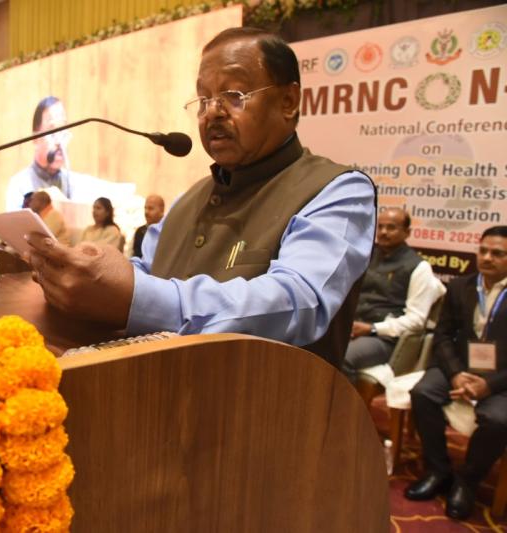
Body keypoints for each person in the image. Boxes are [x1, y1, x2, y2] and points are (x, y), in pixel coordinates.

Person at [26, 27, 375, 367]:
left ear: (288, 102)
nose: (212, 112)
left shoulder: (338, 189)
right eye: (204, 99)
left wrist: (135, 297)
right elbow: (146, 272)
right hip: (155, 388)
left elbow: (298, 301)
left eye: (234, 95)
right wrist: (87, 275)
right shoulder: (189, 198)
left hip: (271, 399)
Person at [405, 226, 507, 520]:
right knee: (423, 393)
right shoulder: (461, 285)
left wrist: (489, 385)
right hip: (459, 366)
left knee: (498, 419)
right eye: (483, 251)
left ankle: (467, 481)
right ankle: (438, 470)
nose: (487, 258)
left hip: (501, 378)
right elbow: (442, 336)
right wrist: (455, 375)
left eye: (497, 253)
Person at [343, 207, 446, 382]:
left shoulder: (419, 267)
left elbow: (416, 320)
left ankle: (341, 401)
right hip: (350, 329)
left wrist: (372, 328)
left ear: (407, 232)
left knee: (343, 356)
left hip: (383, 337)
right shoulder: (365, 256)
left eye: (391, 227)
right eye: (380, 226)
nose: (383, 232)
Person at [5, 96, 74, 210]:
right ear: (35, 138)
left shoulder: (72, 183)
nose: (59, 141)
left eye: (63, 130)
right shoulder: (19, 184)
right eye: (53, 131)